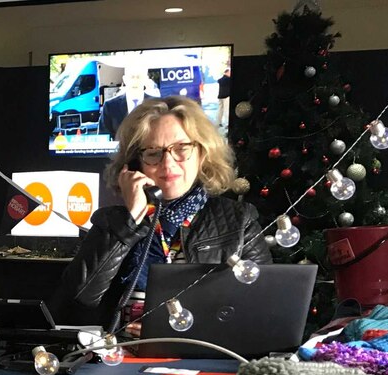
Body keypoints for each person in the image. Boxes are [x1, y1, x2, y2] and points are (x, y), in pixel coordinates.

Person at [51, 95, 272, 330]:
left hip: (204, 357)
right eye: (153, 152)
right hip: (121, 358)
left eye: (181, 149)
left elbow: (263, 312)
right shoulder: (112, 223)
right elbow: (71, 308)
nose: (167, 164)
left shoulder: (238, 220)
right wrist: (131, 220)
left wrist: (169, 329)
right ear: (135, 164)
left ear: (202, 154)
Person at [98, 61, 154, 137]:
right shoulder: (110, 106)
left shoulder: (155, 104)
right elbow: (103, 137)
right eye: (132, 77)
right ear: (124, 79)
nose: (135, 81)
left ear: (146, 79)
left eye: (138, 77)